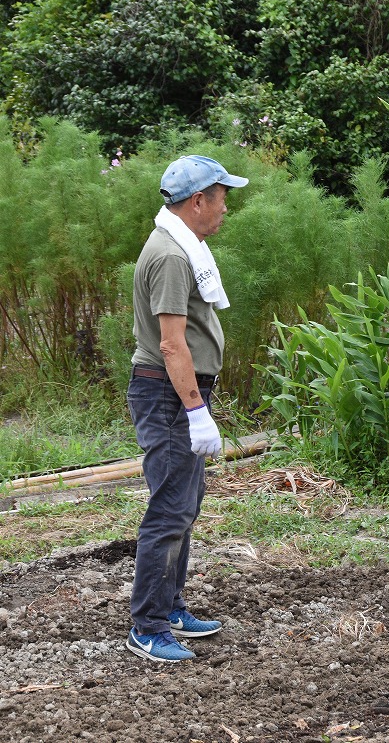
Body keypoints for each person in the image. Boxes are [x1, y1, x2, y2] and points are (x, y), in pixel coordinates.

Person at [127, 154, 248, 663]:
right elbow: (172, 345)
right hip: (169, 393)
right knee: (170, 508)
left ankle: (172, 606)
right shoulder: (173, 258)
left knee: (185, 505)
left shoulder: (184, 245)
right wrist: (196, 411)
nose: (225, 209)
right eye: (222, 198)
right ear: (198, 201)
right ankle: (148, 626)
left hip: (178, 391)